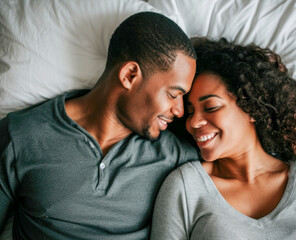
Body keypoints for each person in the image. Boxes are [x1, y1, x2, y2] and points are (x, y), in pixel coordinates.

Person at [0, 12, 200, 239]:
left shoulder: (175, 155)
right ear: (129, 75)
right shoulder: (20, 136)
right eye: (174, 94)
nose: (180, 110)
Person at [150, 38, 296, 239]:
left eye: (211, 107)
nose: (194, 122)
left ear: (252, 108)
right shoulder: (186, 187)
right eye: (190, 112)